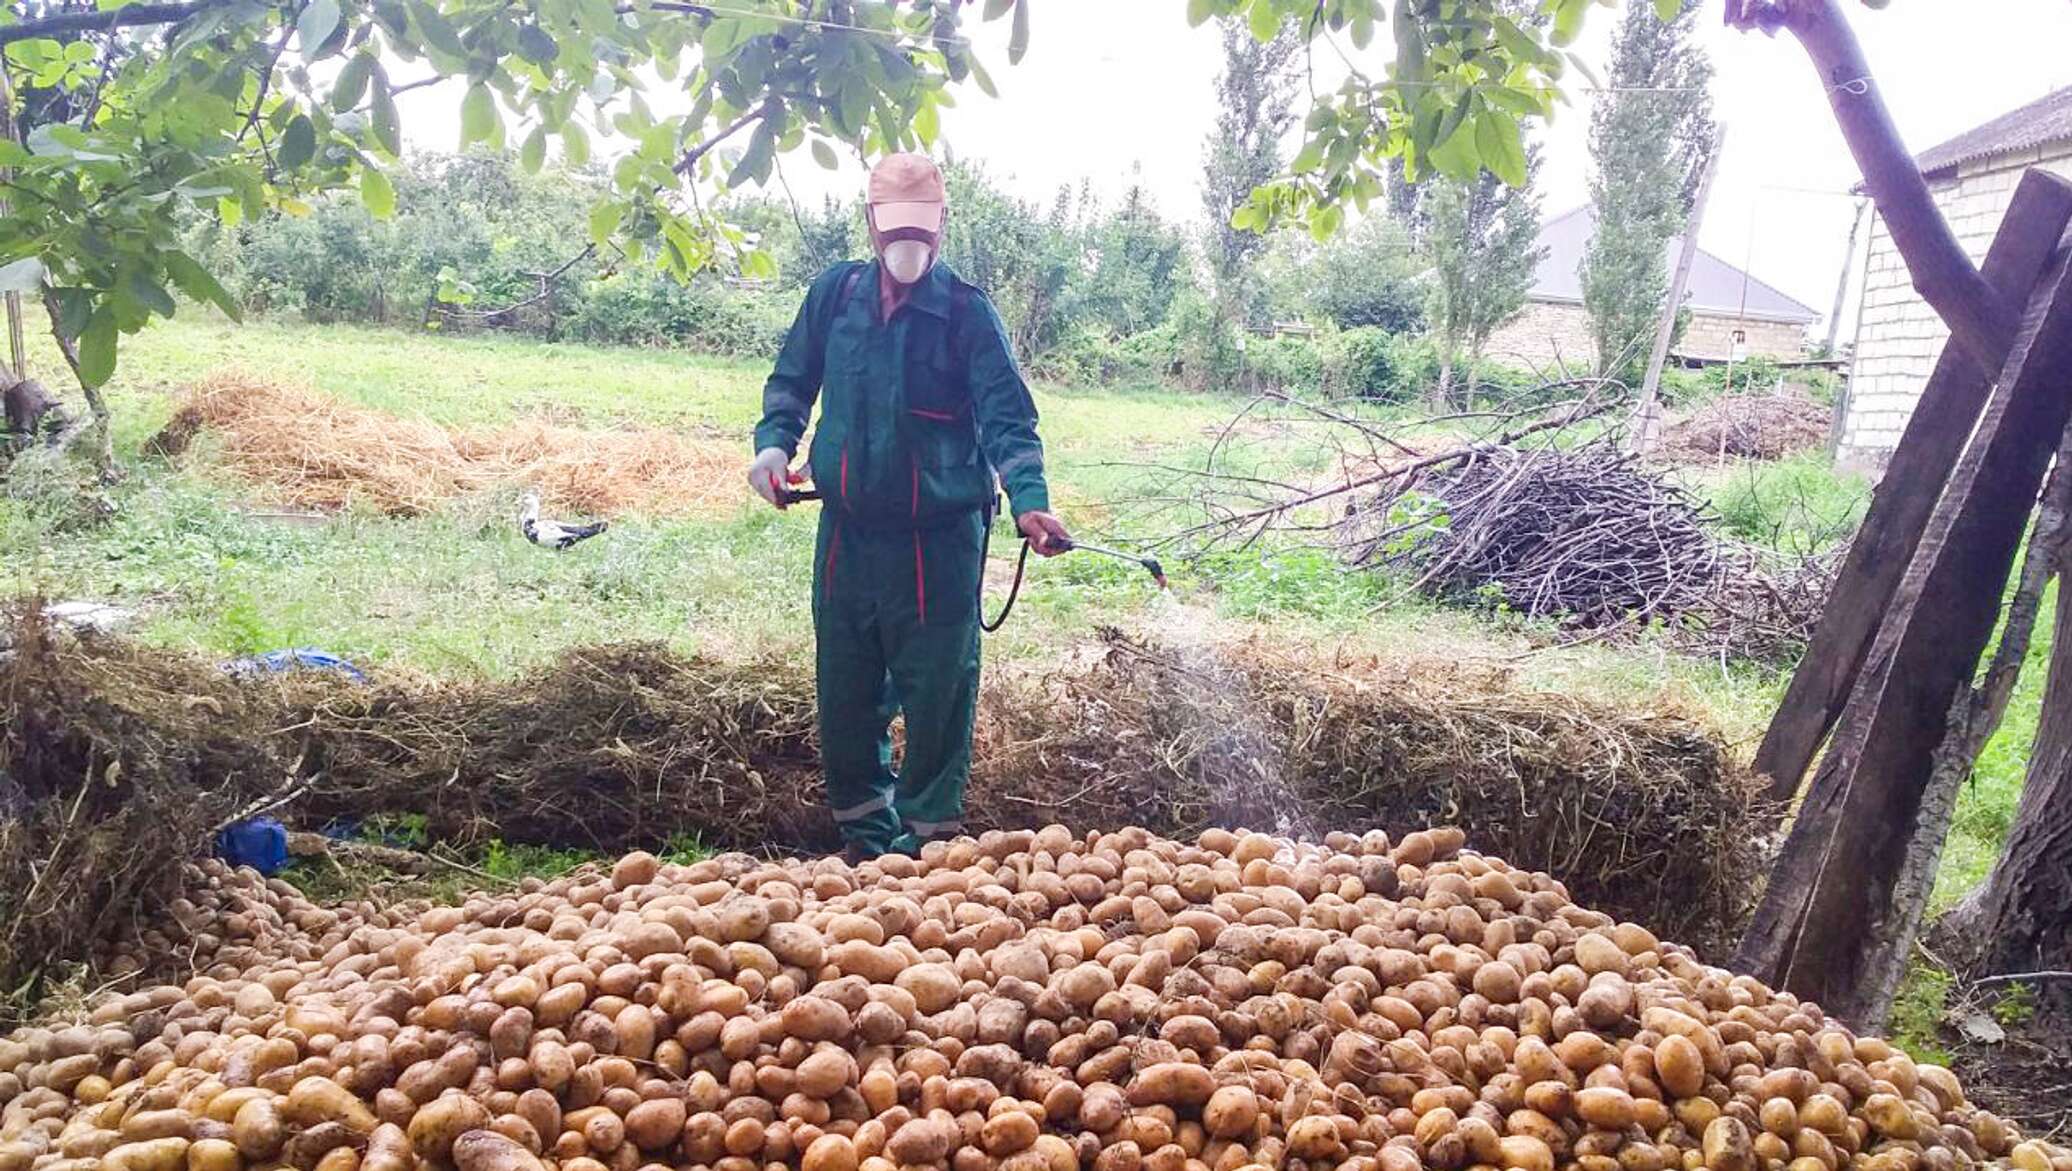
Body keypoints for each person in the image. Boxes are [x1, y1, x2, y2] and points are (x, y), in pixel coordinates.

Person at [748, 153, 1070, 862]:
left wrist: (1030, 501)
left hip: (938, 543)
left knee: (937, 694)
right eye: (896, 231)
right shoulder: (835, 297)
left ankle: (926, 851)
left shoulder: (966, 314)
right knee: (846, 689)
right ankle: (864, 846)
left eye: (922, 233)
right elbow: (791, 381)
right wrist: (774, 448)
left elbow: (1008, 419)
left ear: (943, 226)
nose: (909, 248)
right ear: (869, 223)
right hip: (848, 535)